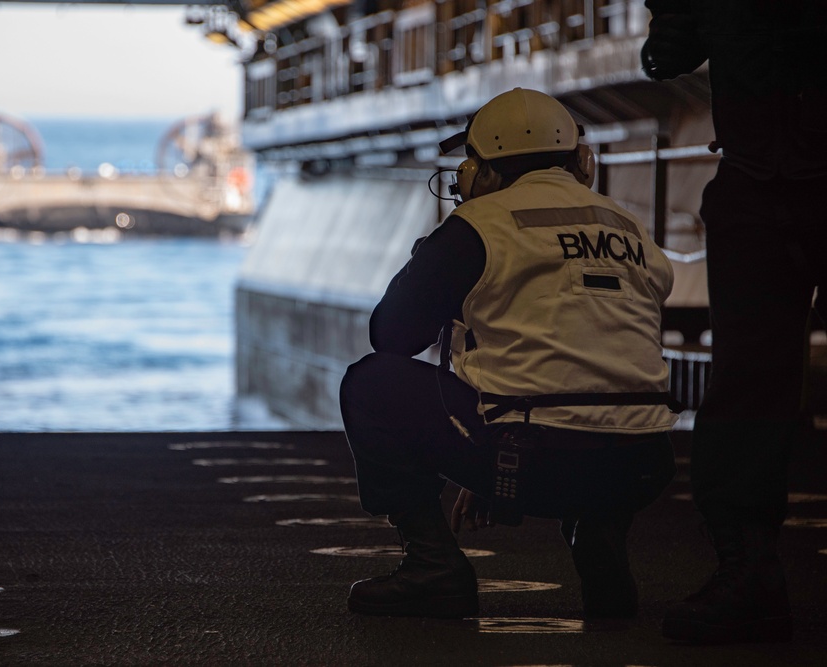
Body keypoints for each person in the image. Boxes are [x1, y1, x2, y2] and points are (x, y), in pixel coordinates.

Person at [339, 88, 680, 621]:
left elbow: (392, 338)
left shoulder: (480, 225)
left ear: (480, 174)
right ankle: (601, 541)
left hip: (531, 461)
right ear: (582, 163)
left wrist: (432, 264)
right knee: (601, 424)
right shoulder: (629, 227)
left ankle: (432, 565)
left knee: (371, 383)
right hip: (643, 465)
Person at [641, 0, 827, 644]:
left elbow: (667, 53)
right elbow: (668, 53)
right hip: (756, 185)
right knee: (745, 387)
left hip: (758, 182)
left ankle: (749, 573)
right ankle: (747, 570)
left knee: (748, 385)